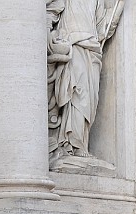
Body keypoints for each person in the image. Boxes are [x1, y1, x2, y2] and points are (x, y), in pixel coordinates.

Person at [48, 0, 124, 163]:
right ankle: (71, 144)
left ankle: (81, 142)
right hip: (73, 46)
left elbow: (103, 29)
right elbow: (52, 10)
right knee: (77, 94)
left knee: (89, 99)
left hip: (92, 50)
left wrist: (120, 6)